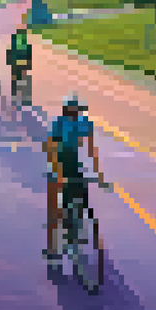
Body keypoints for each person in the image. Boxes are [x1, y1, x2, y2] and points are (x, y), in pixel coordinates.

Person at [44, 94, 107, 261]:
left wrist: (97, 173)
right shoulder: (61, 124)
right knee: (55, 208)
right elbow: (52, 149)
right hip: (59, 162)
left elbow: (91, 148)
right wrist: (57, 173)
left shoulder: (79, 123)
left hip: (72, 162)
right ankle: (52, 248)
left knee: (81, 193)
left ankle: (76, 223)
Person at [7, 15, 34, 105]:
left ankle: (23, 95)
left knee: (23, 77)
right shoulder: (15, 37)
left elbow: (28, 48)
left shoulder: (24, 37)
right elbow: (11, 48)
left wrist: (28, 61)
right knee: (16, 76)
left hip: (22, 57)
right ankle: (15, 94)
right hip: (17, 58)